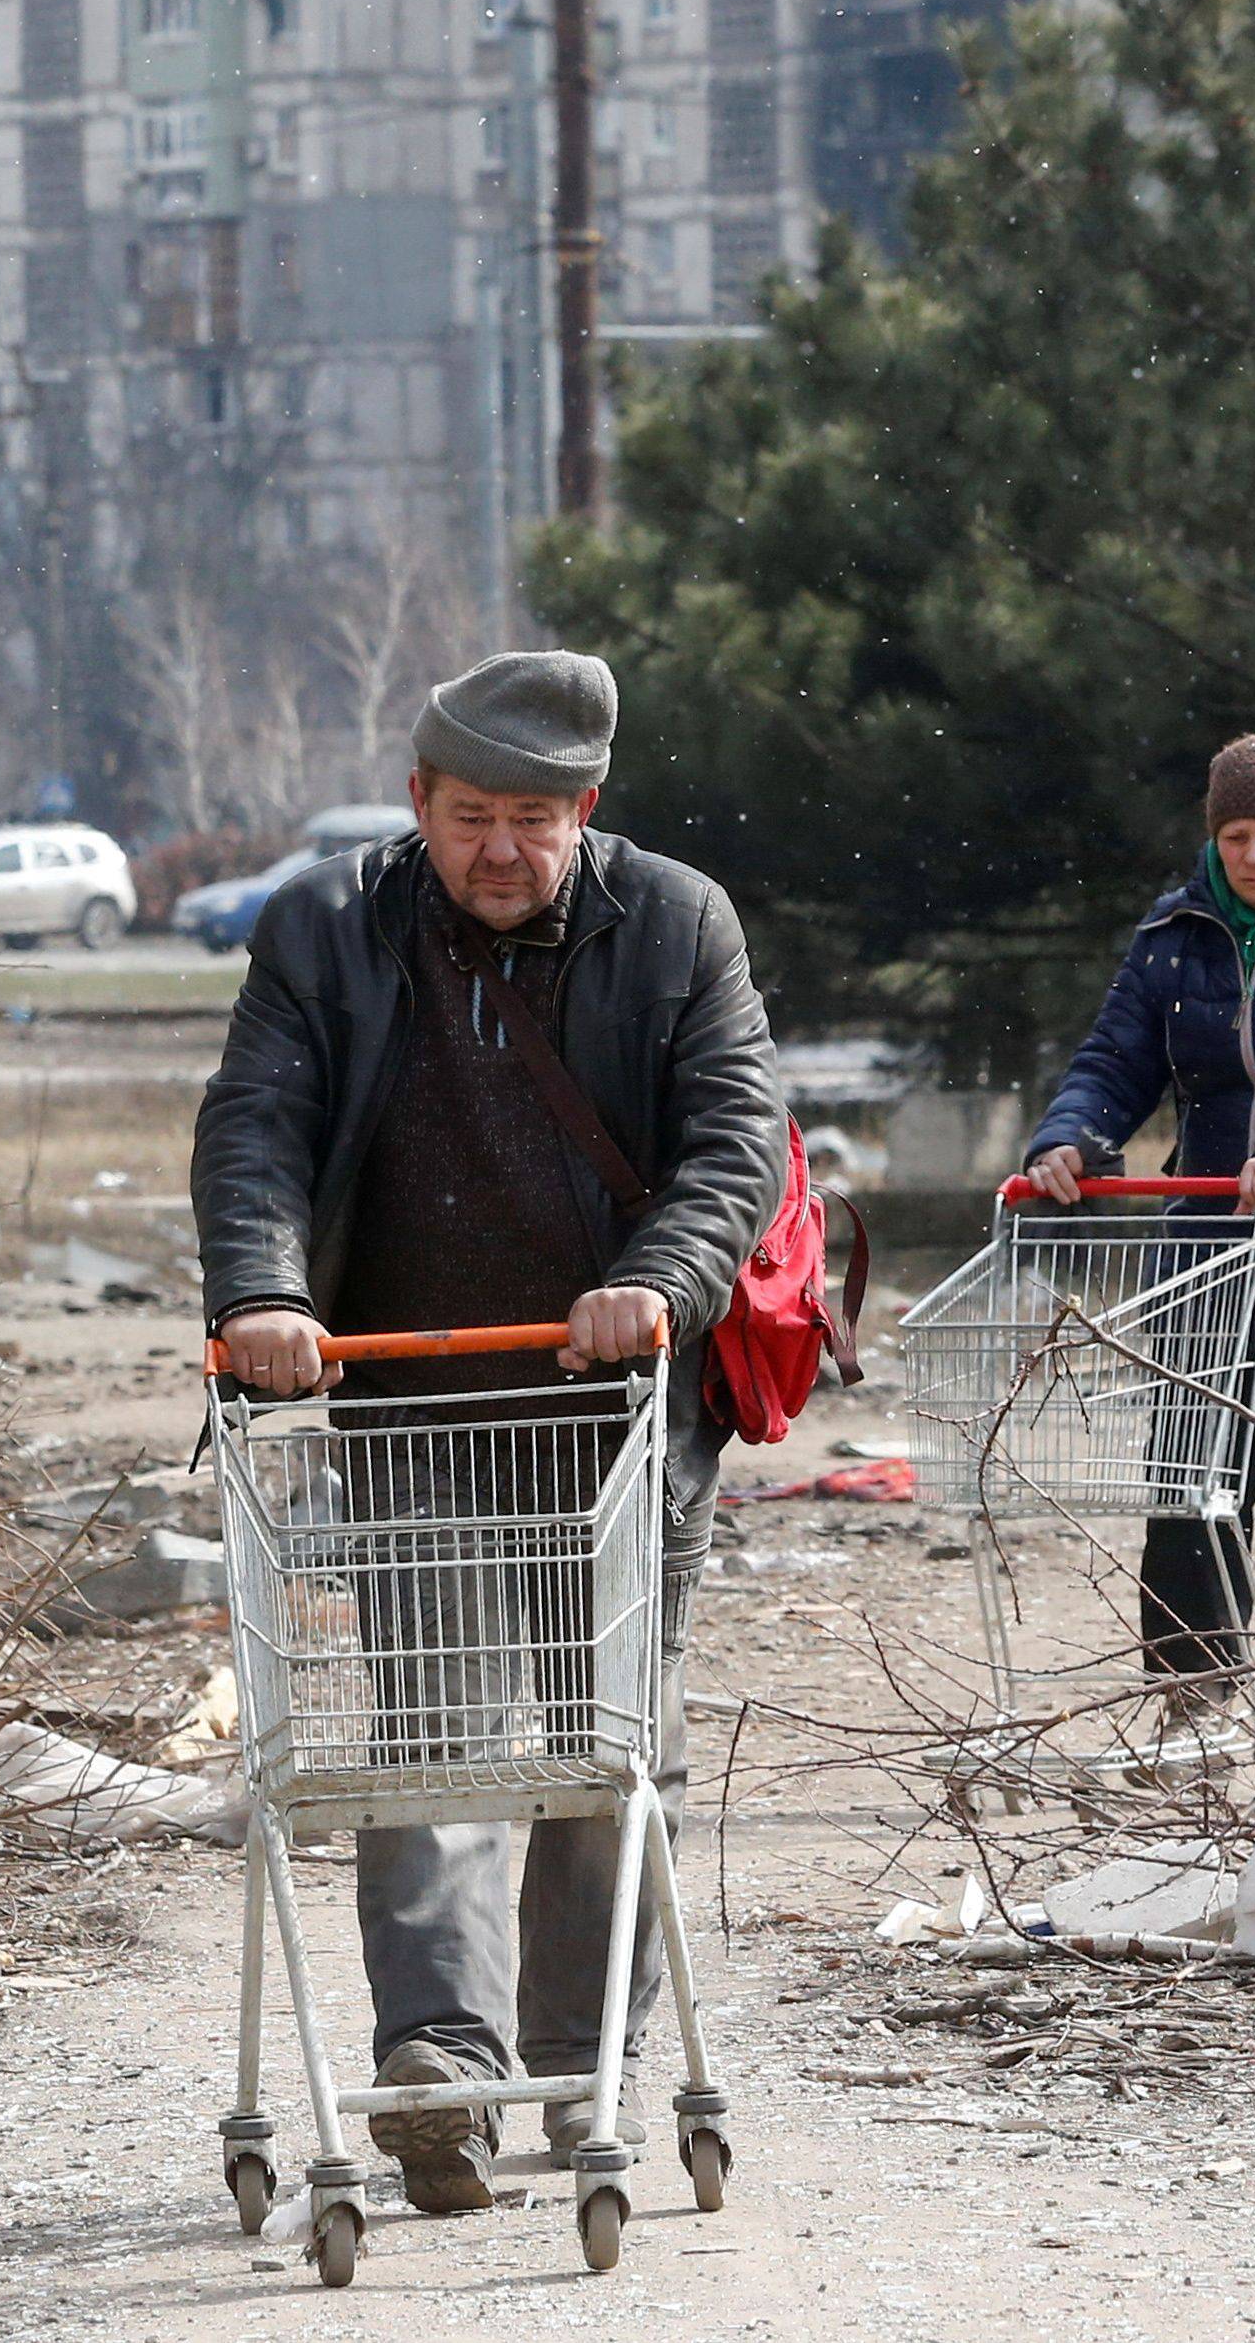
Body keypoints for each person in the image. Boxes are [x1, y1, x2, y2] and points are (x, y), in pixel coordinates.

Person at [191, 650, 786, 2212]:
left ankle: (577, 2057)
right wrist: (261, 1290)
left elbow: (738, 1137)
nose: (502, 850)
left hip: (616, 1412)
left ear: (587, 811)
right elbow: (257, 1118)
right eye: (471, 818)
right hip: (411, 1396)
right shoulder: (328, 926)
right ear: (417, 807)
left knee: (608, 1749)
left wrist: (655, 1281)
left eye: (535, 818)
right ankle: (440, 2069)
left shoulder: (676, 924)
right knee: (438, 1733)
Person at [1025, 730, 1255, 1687]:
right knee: (1193, 1480)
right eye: (1237, 835)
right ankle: (1195, 1697)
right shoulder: (1172, 939)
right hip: (1208, 1244)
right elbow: (1114, 1063)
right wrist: (1067, 1138)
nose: (1253, 855)